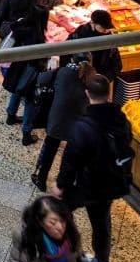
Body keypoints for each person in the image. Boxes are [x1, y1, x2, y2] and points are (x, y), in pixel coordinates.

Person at [52, 75, 134, 262]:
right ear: (110, 93)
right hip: (109, 183)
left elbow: (71, 160)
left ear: (87, 93)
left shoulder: (83, 126)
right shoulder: (122, 120)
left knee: (61, 212)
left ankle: (65, 254)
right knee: (101, 222)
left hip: (85, 183)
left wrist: (61, 184)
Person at [0, 0, 61, 145]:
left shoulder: (19, 23)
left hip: (15, 66)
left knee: (17, 89)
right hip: (30, 70)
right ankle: (26, 133)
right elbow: (53, 0)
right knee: (30, 99)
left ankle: (10, 115)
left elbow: (1, 16)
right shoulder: (37, 35)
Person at [32, 53, 94, 191]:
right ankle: (62, 183)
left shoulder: (63, 72)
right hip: (78, 124)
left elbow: (41, 79)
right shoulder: (92, 79)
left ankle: (41, 179)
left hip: (57, 120)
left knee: (49, 151)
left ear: (72, 59)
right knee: (69, 156)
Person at [8, 196, 87, 262]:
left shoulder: (70, 232)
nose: (60, 227)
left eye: (62, 220)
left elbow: (79, 259)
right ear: (40, 222)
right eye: (53, 223)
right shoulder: (26, 242)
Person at [67, 10, 123, 83]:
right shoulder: (77, 36)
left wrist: (104, 79)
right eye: (103, 27)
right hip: (81, 82)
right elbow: (66, 60)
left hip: (101, 82)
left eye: (108, 28)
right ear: (92, 23)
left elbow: (117, 65)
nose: (106, 30)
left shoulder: (109, 39)